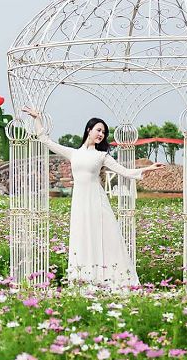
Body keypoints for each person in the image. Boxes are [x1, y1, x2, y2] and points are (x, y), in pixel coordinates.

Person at [22, 107, 165, 289]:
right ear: (88, 130)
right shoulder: (73, 153)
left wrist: (148, 168)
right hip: (80, 203)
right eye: (98, 130)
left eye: (104, 132)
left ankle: (108, 277)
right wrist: (37, 118)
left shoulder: (101, 156)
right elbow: (45, 140)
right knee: (81, 237)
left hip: (97, 202)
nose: (101, 134)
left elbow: (125, 171)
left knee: (103, 238)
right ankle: (83, 278)